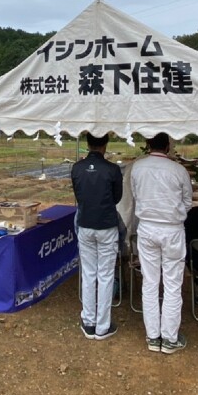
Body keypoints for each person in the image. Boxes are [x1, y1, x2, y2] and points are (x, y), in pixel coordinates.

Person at [130, 132, 194, 354]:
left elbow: (136, 195)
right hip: (172, 229)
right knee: (172, 283)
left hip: (147, 227)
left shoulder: (138, 167)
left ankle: (152, 335)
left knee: (150, 281)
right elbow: (187, 202)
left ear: (148, 145)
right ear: (168, 146)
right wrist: (174, 214)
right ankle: (169, 338)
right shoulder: (179, 170)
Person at [70, 133, 123, 340]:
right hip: (106, 226)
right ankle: (102, 326)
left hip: (85, 225)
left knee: (89, 273)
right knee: (106, 275)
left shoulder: (76, 168)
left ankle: (89, 320)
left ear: (88, 144)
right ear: (105, 145)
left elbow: (78, 195)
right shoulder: (112, 169)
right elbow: (117, 197)